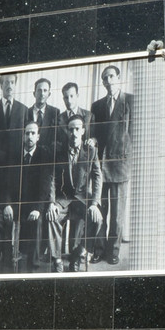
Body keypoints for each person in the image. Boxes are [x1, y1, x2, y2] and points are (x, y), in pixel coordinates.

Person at [0, 122, 55, 272]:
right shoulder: (14, 156)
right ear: (23, 136)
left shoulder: (44, 155)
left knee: (36, 223)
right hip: (14, 206)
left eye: (33, 133)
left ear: (38, 137)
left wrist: (37, 209)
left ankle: (33, 269)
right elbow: (5, 185)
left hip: (32, 207)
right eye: (27, 133)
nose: (29, 136)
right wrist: (7, 205)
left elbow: (45, 187)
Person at [47, 115, 103, 271]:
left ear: (83, 131)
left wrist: (94, 204)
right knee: (52, 216)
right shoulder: (59, 151)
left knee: (97, 219)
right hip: (63, 198)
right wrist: (51, 203)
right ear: (67, 131)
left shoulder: (91, 151)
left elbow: (98, 179)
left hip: (82, 199)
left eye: (77, 129)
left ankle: (80, 253)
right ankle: (57, 260)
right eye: (71, 129)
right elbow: (51, 178)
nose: (74, 133)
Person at [90, 65, 131, 265]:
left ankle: (113, 251)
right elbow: (94, 134)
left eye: (111, 76)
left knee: (116, 215)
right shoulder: (97, 106)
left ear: (119, 78)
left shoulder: (130, 101)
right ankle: (98, 249)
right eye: (104, 78)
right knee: (99, 211)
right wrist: (92, 141)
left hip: (120, 166)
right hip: (99, 167)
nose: (108, 81)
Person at [0, 74, 27, 272]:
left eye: (12, 82)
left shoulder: (23, 110)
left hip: (16, 174)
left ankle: (9, 269)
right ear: (0, 85)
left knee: (12, 230)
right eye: (6, 83)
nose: (9, 86)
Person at [26, 78, 61, 163]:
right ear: (34, 93)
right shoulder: (26, 112)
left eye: (45, 90)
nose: (42, 94)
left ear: (49, 94)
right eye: (39, 90)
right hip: (29, 158)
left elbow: (56, 137)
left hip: (47, 159)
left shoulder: (55, 113)